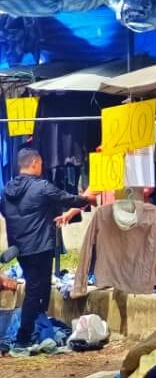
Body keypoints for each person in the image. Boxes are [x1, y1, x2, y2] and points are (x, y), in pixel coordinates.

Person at [2, 148, 94, 350]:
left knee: (39, 288)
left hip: (20, 249)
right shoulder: (41, 187)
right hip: (40, 247)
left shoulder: (7, 191)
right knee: (36, 291)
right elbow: (67, 199)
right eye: (41, 164)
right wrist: (89, 198)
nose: (42, 168)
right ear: (35, 163)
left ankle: (37, 328)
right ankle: (23, 338)